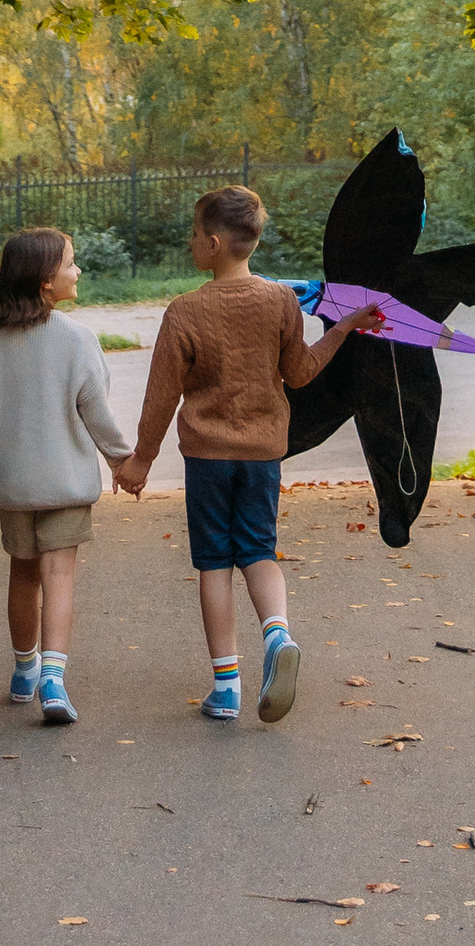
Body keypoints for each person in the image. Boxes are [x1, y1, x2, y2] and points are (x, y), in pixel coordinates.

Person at [113, 186, 378, 724]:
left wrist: (140, 460)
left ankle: (226, 687)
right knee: (258, 550)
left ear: (213, 243)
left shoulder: (184, 312)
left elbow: (161, 394)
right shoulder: (280, 301)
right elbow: (300, 373)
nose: (190, 243)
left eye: (193, 235)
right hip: (263, 455)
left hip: (208, 457)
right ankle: (277, 635)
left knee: (214, 563)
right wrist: (345, 328)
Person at [0, 227, 137, 727]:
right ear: (44, 282)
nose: (78, 271)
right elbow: (95, 410)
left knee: (23, 571)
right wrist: (122, 460)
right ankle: (53, 678)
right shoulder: (77, 338)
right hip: (65, 483)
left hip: (11, 484)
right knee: (59, 576)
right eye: (70, 264)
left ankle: (22, 670)